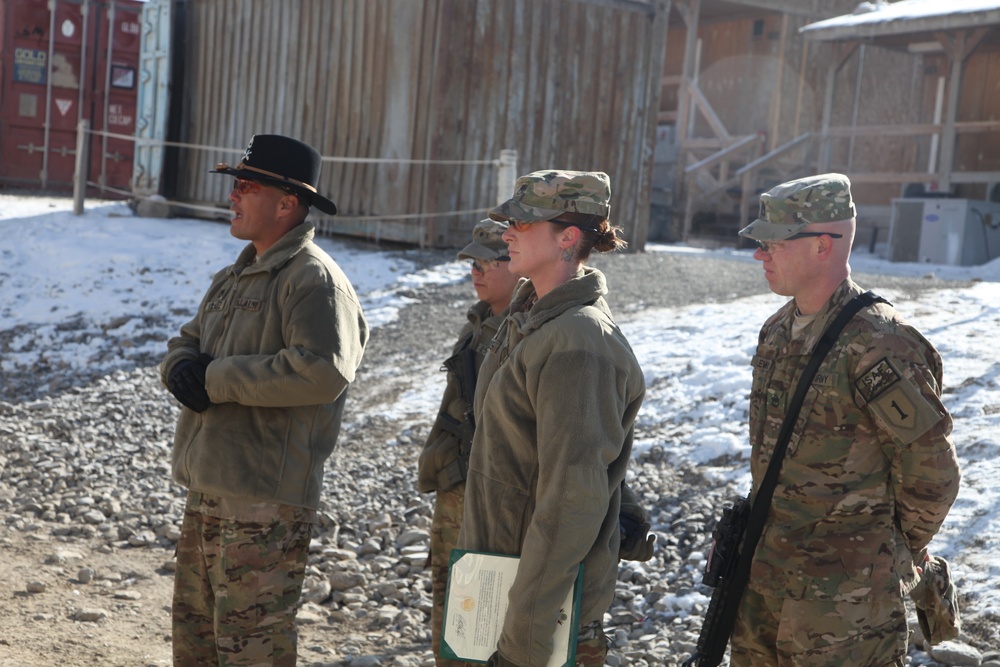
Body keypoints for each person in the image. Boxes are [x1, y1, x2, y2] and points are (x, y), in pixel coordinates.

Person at [733, 173, 961, 666]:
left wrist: (880, 554)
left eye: (772, 243)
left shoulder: (881, 344)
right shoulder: (777, 332)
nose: (759, 254)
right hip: (764, 588)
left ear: (822, 246)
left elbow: (933, 476)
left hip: (843, 614)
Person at [160, 133, 369, 666]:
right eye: (235, 184)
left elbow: (322, 372)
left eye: (246, 185)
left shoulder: (312, 280)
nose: (233, 195)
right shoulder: (233, 276)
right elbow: (188, 341)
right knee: (197, 641)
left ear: (286, 202)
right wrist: (180, 366)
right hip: (208, 487)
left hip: (265, 501)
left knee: (252, 648)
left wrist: (217, 378)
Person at [456, 170, 646, 667]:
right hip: (501, 583)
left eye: (523, 224)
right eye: (508, 223)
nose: (507, 233)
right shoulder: (530, 320)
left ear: (568, 238)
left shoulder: (578, 345)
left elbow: (568, 505)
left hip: (540, 617)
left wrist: (523, 645)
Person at [417, 218, 521, 667]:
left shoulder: (526, 332)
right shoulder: (476, 326)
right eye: (471, 263)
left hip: (492, 498)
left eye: (487, 261)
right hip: (456, 488)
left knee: (484, 621)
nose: (476, 270)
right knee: (448, 598)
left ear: (518, 264)